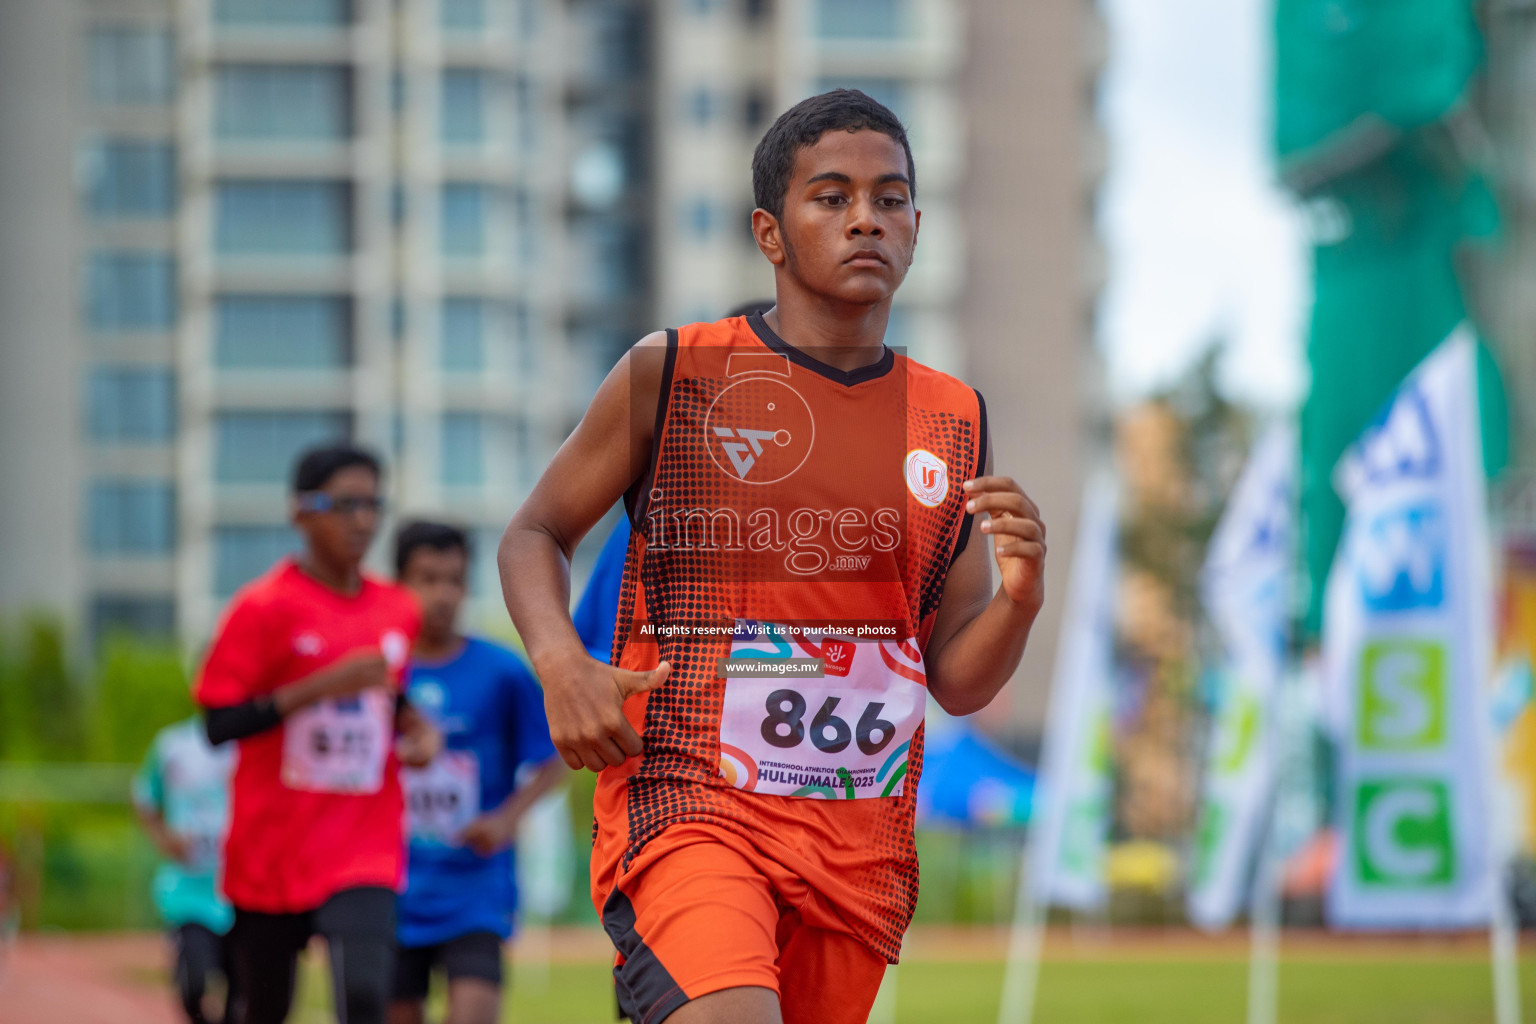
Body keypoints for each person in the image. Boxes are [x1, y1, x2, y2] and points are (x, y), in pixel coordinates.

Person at [498, 90, 1048, 1024]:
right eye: (831, 197)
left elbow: (955, 678)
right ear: (771, 232)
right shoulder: (672, 374)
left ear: (917, 225)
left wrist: (1020, 602)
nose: (866, 217)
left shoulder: (954, 418)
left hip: (856, 848)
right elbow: (533, 533)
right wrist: (561, 664)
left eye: (891, 197)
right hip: (690, 810)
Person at [195, 444, 442, 1024]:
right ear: (301, 512)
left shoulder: (397, 609)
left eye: (372, 504)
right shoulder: (261, 608)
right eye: (344, 504)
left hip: (363, 841)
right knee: (263, 1009)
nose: (362, 520)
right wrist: (315, 686)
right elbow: (217, 725)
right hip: (272, 847)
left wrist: (421, 732)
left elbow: (391, 698)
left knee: (364, 994)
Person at [389, 521, 566, 1024]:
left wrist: (507, 820)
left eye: (454, 580)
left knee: (474, 1014)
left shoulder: (501, 671)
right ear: (398, 582)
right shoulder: (378, 671)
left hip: (476, 886)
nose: (443, 594)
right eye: (427, 578)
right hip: (395, 886)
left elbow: (554, 760)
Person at [133, 715, 237, 1024]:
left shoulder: (253, 743)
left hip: (243, 890)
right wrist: (164, 838)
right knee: (194, 985)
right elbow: (144, 797)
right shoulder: (172, 745)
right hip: (189, 891)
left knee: (243, 994)